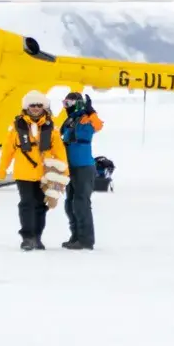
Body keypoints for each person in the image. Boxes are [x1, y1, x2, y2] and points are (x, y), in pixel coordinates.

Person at [0, 90, 70, 251]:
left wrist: (64, 171)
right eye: (32, 105)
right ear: (26, 107)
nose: (36, 108)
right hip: (24, 173)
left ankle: (37, 237)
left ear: (44, 107)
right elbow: (7, 151)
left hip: (45, 174)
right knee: (26, 204)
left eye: (39, 105)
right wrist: (2, 169)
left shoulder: (52, 129)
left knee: (41, 206)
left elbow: (60, 151)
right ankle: (27, 237)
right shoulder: (16, 128)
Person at [56, 91, 104, 250]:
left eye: (68, 104)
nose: (66, 107)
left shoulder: (85, 119)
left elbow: (98, 126)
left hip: (84, 167)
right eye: (64, 103)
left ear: (77, 104)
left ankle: (86, 240)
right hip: (70, 168)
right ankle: (75, 236)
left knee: (81, 203)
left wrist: (91, 111)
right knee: (70, 204)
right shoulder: (69, 120)